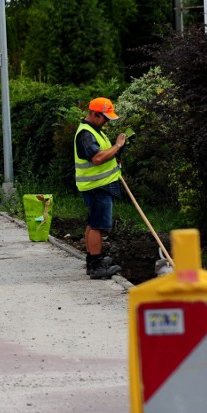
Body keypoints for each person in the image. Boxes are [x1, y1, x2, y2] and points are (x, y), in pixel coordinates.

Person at [74, 97, 127, 279]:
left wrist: (117, 152)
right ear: (95, 114)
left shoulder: (96, 131)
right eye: (105, 118)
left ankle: (93, 260)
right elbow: (97, 158)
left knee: (93, 223)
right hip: (97, 186)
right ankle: (96, 267)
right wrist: (118, 145)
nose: (106, 122)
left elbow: (105, 155)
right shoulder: (86, 134)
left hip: (99, 185)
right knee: (98, 225)